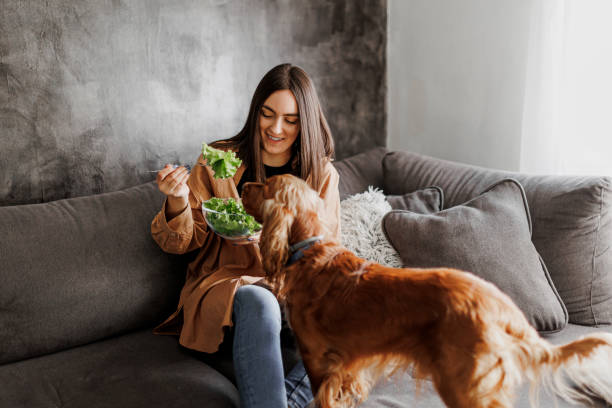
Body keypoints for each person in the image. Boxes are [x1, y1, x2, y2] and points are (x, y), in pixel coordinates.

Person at [151, 63, 341, 408]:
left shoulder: (321, 174)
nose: (276, 128)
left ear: (306, 122)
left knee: (352, 316)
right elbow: (178, 242)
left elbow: (324, 253)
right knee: (259, 299)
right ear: (256, 112)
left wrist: (272, 240)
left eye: (291, 119)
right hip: (227, 287)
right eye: (267, 114)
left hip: (292, 291)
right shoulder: (218, 159)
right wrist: (177, 199)